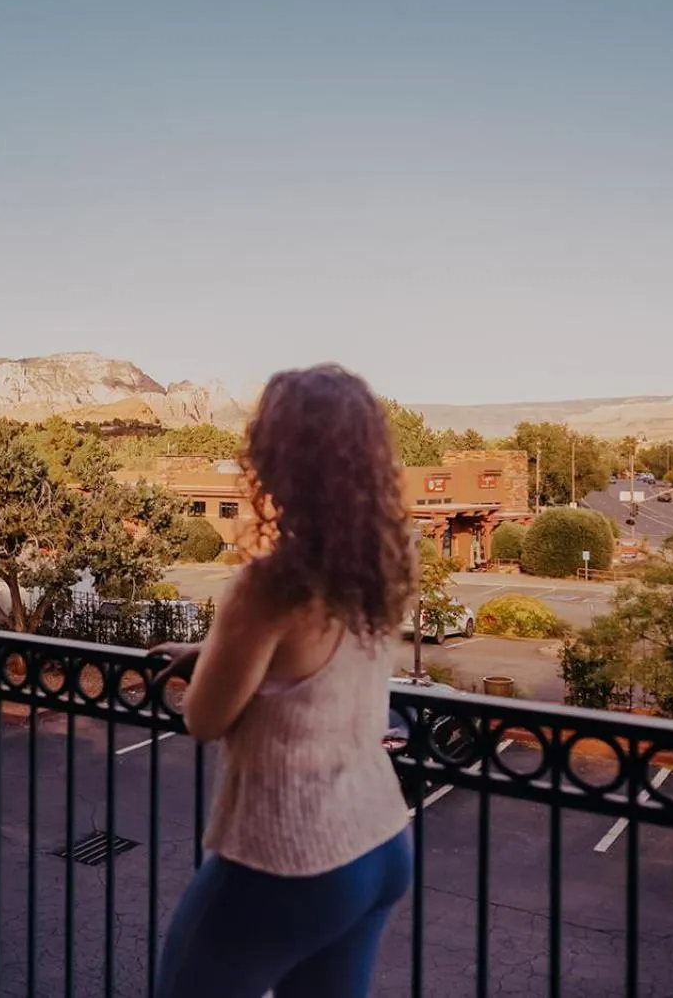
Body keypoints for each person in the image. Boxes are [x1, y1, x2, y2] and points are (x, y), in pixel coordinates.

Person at [149, 364, 416, 998]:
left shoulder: (272, 584)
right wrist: (218, 649)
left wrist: (212, 661)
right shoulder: (388, 561)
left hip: (292, 857)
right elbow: (311, 667)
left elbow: (204, 718)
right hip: (380, 841)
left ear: (276, 460)